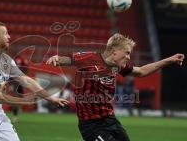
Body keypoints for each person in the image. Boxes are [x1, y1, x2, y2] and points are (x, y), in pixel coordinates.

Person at [46, 33, 185, 141]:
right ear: (114, 51)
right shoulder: (88, 59)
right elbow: (68, 59)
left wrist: (169, 60)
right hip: (91, 125)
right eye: (127, 52)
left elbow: (142, 71)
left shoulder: (118, 67)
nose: (129, 57)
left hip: (111, 120)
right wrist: (57, 58)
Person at [0, 22, 68, 141]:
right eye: (5, 33)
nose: (9, 37)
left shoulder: (6, 60)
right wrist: (24, 101)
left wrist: (50, 98)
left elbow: (26, 81)